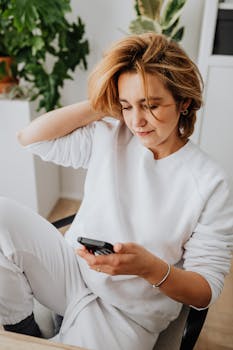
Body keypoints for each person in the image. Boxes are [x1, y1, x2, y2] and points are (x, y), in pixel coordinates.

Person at [0, 33, 233, 350]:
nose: (137, 121)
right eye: (127, 105)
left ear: (185, 102)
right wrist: (102, 105)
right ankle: (26, 332)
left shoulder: (209, 181)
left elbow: (205, 290)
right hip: (73, 274)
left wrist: (148, 267)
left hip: (127, 315)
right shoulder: (112, 133)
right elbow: (31, 138)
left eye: (151, 105)